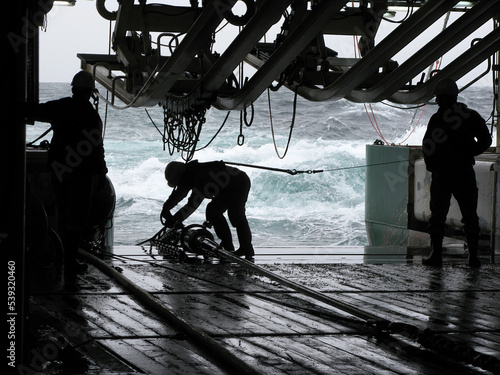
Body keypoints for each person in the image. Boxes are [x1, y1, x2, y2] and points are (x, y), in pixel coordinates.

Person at [31, 71, 108, 283]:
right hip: (81, 175)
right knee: (77, 218)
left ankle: (63, 258)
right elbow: (96, 149)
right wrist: (101, 173)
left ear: (73, 89)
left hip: (60, 171)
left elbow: (36, 111)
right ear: (92, 92)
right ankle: (70, 260)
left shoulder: (61, 106)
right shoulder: (92, 116)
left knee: (63, 214)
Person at [422, 78, 491, 268]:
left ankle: (436, 255)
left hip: (442, 174)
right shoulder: (470, 115)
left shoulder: (437, 119)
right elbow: (486, 140)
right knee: (470, 216)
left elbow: (427, 146)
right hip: (463, 172)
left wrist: (433, 167)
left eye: (438, 97)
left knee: (437, 216)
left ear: (445, 98)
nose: (436, 101)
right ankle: (473, 258)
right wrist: (470, 152)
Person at [161, 160, 255, 260]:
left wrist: (175, 219)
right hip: (226, 187)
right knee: (213, 211)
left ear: (181, 177)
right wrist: (166, 209)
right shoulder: (189, 174)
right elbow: (179, 193)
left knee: (236, 214)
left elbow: (192, 204)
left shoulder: (200, 176)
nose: (179, 185)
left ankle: (246, 248)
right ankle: (228, 246)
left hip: (238, 183)